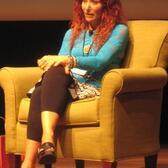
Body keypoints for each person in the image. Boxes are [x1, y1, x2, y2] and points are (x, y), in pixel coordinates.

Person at [21, 0, 128, 167]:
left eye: (95, 2)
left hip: (95, 86)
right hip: (69, 83)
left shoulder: (119, 31)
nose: (87, 7)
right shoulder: (73, 33)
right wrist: (54, 62)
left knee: (40, 91)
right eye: (84, 1)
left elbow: (101, 61)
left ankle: (34, 156)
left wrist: (70, 60)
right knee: (50, 77)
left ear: (108, 7)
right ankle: (44, 144)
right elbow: (61, 62)